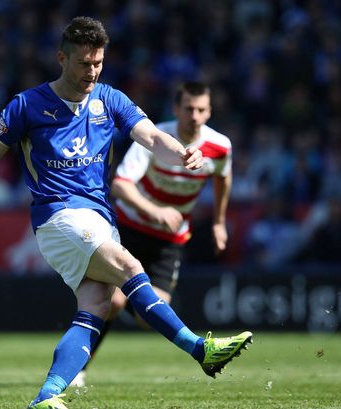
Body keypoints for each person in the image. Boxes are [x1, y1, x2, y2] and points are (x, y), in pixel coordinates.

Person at [0, 17, 252, 409]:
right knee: (130, 267)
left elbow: (150, 136)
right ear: (62, 58)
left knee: (96, 306)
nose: (92, 72)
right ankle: (200, 349)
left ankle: (46, 398)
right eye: (84, 63)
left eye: (98, 63)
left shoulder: (109, 98)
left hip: (99, 219)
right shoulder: (27, 105)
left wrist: (182, 154)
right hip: (59, 216)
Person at [71, 81, 233, 388]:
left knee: (150, 317)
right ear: (176, 109)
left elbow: (223, 176)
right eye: (188, 108)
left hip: (169, 241)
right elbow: (120, 184)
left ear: (210, 111)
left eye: (201, 110)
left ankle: (133, 297)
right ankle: (79, 368)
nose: (194, 116)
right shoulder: (158, 138)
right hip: (129, 229)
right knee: (111, 303)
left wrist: (219, 222)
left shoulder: (220, 146)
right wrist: (155, 211)